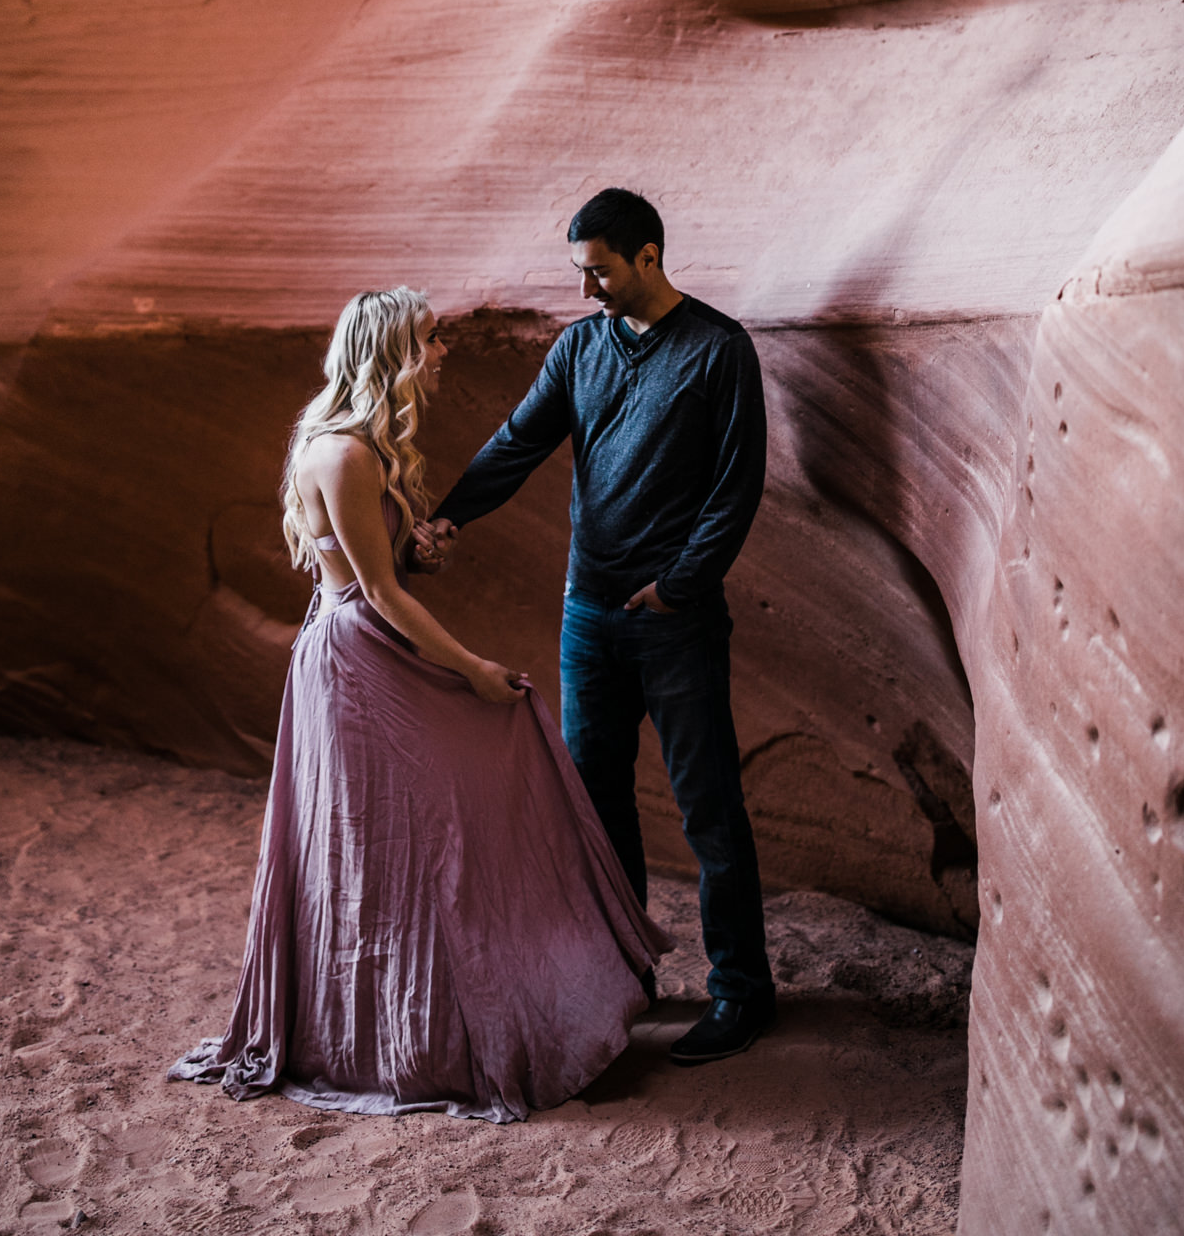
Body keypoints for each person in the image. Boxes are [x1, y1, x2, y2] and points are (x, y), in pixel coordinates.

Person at [167, 285, 669, 1123]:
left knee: (415, 833)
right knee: (390, 840)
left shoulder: (362, 447)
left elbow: (384, 571)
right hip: (359, 660)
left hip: (367, 647)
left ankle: (465, 1005)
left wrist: (418, 545)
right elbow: (377, 596)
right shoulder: (346, 454)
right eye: (430, 341)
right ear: (390, 351)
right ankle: (402, 1035)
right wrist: (471, 667)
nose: (441, 355)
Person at [431, 189, 774, 1066]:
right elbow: (515, 443)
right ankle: (626, 977)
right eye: (580, 271)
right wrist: (444, 520)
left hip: (674, 621)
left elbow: (735, 490)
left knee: (707, 808)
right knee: (596, 800)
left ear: (646, 257)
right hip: (587, 617)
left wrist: (679, 587)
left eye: (598, 271)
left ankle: (741, 992)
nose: (585, 288)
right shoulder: (580, 347)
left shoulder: (718, 350)